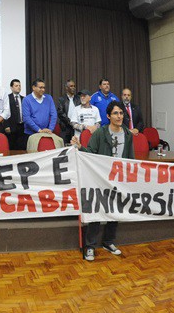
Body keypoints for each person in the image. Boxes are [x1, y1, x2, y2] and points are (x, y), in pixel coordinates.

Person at [71, 101, 134, 261]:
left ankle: (108, 242)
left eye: (121, 113)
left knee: (115, 211)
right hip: (100, 178)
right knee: (97, 212)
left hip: (118, 179)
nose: (119, 116)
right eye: (115, 113)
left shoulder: (127, 134)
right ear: (108, 116)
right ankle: (90, 246)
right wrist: (80, 147)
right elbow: (90, 153)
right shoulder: (100, 133)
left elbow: (130, 158)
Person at [5, 79, 26, 150]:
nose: (19, 87)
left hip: (22, 127)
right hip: (11, 127)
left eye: (19, 86)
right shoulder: (7, 98)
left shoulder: (24, 99)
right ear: (11, 87)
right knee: (11, 148)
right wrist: (6, 125)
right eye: (16, 86)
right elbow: (4, 112)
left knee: (21, 148)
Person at [56, 79, 79, 144]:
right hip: (65, 127)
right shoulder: (61, 99)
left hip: (76, 127)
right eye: (71, 86)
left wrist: (75, 124)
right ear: (66, 88)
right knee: (65, 146)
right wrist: (70, 122)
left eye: (74, 86)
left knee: (75, 146)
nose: (73, 88)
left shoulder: (78, 98)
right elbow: (60, 113)